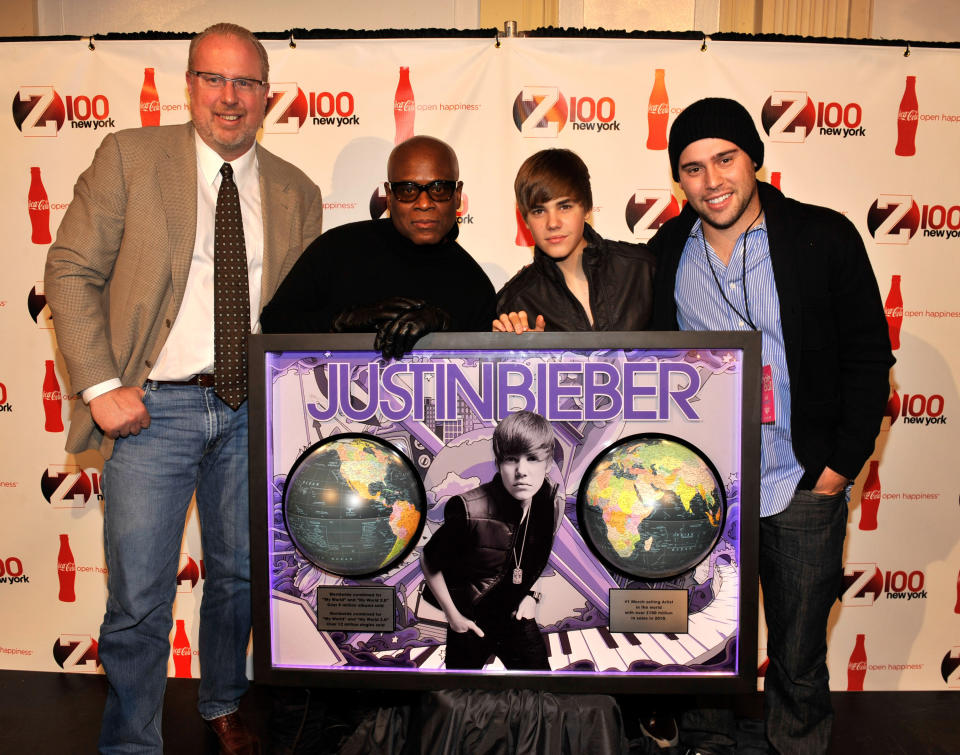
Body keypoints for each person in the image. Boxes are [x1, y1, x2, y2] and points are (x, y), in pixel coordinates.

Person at [44, 23, 323, 754]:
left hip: (250, 412)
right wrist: (101, 383)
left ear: (268, 96)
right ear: (190, 84)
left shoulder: (298, 190)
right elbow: (70, 269)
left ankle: (223, 699)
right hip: (150, 410)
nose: (230, 98)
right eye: (215, 79)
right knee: (139, 595)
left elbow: (300, 310)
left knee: (237, 577)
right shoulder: (129, 158)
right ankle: (132, 737)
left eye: (247, 84)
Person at [648, 97, 894, 754]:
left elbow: (870, 359)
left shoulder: (824, 235)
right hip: (706, 488)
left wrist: (836, 470)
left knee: (797, 653)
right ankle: (706, 743)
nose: (712, 180)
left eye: (724, 158)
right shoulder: (669, 247)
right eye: (693, 168)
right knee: (704, 639)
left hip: (800, 482)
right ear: (680, 180)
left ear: (754, 158)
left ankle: (798, 747)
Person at [261, 135, 495, 357]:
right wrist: (341, 322)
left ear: (457, 195)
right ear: (390, 196)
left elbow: (483, 372)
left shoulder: (475, 285)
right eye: (408, 190)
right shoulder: (337, 249)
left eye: (439, 189)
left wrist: (446, 330)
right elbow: (274, 322)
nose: (424, 203)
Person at [420, 410, 563, 670]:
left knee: (540, 691)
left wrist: (530, 594)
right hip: (472, 619)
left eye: (532, 458)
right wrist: (454, 618)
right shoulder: (468, 509)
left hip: (513, 615)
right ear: (498, 463)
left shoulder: (545, 500)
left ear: (548, 463)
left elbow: (533, 555)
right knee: (460, 699)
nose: (522, 471)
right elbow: (429, 559)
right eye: (511, 459)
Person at [493, 148, 655, 334]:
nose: (552, 223)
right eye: (538, 211)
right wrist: (523, 356)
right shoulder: (515, 302)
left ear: (587, 208)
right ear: (525, 220)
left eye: (564, 207)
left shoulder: (642, 270)